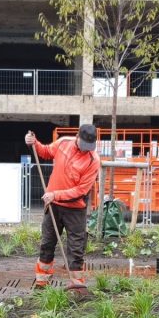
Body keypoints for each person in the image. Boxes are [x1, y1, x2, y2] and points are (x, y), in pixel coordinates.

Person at [25, 124, 101, 290]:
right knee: (47, 243)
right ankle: (41, 283)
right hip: (54, 206)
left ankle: (77, 286)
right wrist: (34, 143)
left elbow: (81, 191)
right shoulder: (64, 143)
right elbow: (45, 152)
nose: (86, 149)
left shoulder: (93, 160)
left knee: (76, 248)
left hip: (75, 209)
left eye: (90, 146)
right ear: (77, 136)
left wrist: (55, 194)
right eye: (84, 145)